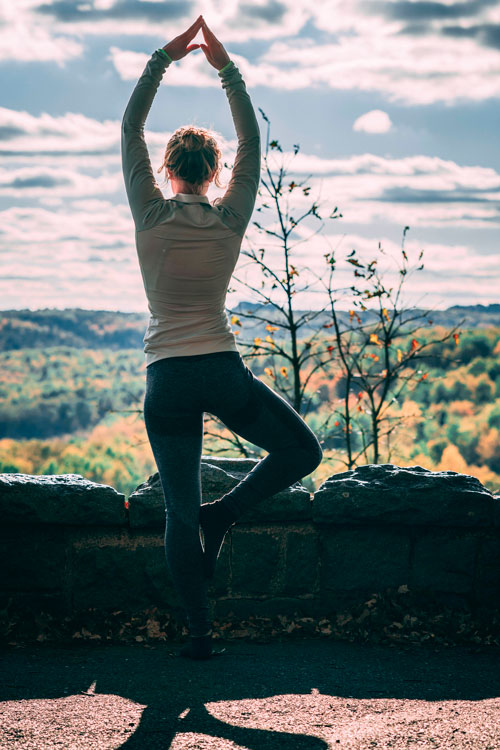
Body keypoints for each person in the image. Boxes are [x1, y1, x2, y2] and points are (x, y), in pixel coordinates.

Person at [121, 15, 323, 660]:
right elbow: (252, 139)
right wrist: (225, 69)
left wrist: (162, 59)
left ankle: (199, 633)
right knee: (301, 452)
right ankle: (228, 511)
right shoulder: (230, 217)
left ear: (167, 169)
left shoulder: (149, 212)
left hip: (169, 379)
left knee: (180, 510)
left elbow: (129, 129)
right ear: (214, 173)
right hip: (221, 370)